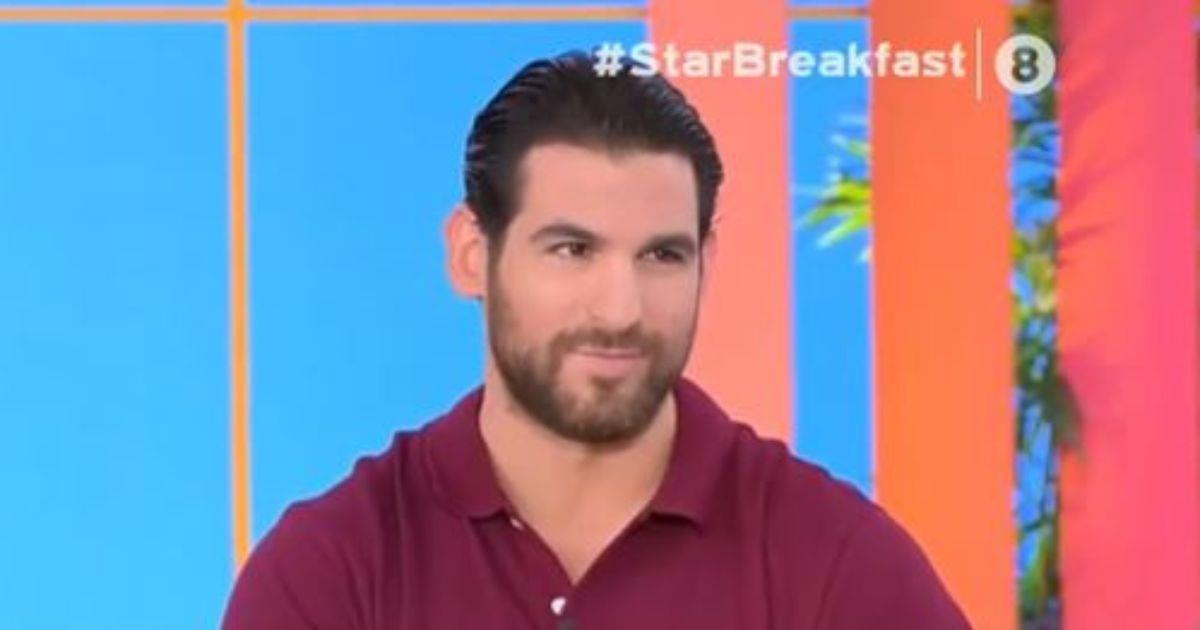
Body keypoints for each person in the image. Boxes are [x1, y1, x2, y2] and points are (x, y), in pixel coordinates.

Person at [221, 49, 969, 630]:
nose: (620, 310)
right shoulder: (337, 570)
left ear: (706, 264)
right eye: (572, 250)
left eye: (661, 256)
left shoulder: (836, 565)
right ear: (472, 254)